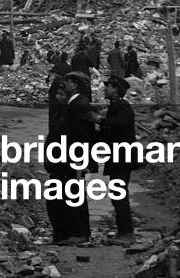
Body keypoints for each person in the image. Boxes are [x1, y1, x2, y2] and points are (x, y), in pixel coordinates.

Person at [94, 75, 136, 241]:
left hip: (122, 157)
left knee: (119, 195)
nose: (105, 89)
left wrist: (100, 120)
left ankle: (127, 233)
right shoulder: (116, 106)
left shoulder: (122, 106)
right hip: (119, 156)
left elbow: (118, 123)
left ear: (116, 89)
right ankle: (124, 231)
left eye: (108, 86)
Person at [58, 71, 95, 244]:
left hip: (76, 158)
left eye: (68, 81)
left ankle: (79, 233)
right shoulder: (75, 103)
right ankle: (81, 232)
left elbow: (82, 135)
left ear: (75, 85)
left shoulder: (79, 104)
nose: (65, 84)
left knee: (74, 194)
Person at [44, 83, 69, 243]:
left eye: (61, 95)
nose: (57, 98)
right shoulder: (59, 113)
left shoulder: (66, 115)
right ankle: (60, 233)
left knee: (59, 201)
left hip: (63, 163)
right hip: (57, 162)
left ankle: (63, 234)